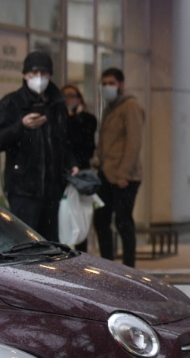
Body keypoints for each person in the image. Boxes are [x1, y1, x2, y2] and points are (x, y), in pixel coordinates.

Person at [0, 52, 73, 240]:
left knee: (51, 244)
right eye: (33, 73)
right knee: (25, 242)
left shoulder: (57, 104)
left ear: (50, 75)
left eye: (44, 73)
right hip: (23, 188)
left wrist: (71, 164)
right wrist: (21, 126)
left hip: (52, 188)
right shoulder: (10, 103)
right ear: (24, 75)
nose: (39, 78)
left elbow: (63, 140)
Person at [94, 68, 145, 266]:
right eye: (104, 83)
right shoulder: (110, 107)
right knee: (101, 221)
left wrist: (124, 173)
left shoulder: (130, 106)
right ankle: (108, 264)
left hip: (125, 176)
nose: (107, 87)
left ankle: (129, 266)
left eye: (111, 83)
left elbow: (133, 142)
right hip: (107, 173)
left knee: (123, 222)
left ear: (121, 85)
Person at [60, 84, 98, 251]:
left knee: (81, 216)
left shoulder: (87, 119)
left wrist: (75, 117)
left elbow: (86, 145)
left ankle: (82, 255)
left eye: (73, 95)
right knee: (63, 216)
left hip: (81, 173)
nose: (70, 100)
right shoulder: (58, 119)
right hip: (62, 174)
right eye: (66, 96)